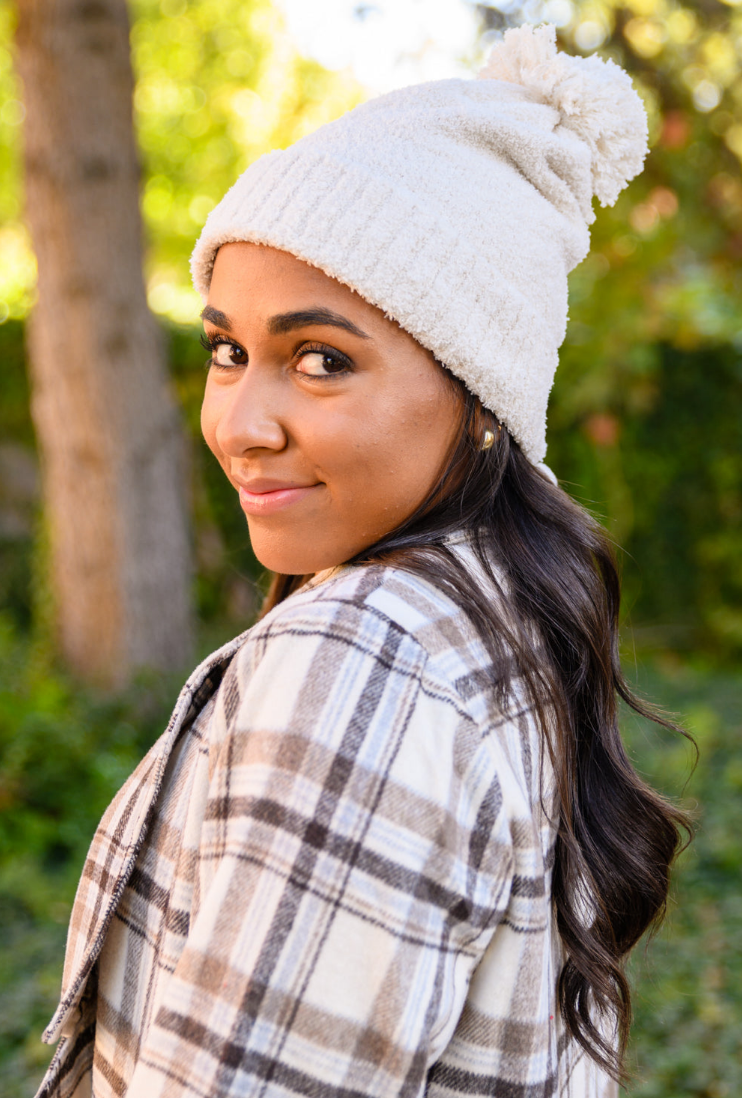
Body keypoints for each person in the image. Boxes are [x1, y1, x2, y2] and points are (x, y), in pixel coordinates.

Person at [36, 24, 689, 1098]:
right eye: (227, 351)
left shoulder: (363, 662)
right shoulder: (494, 614)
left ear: (477, 396)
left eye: (321, 360)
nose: (242, 422)